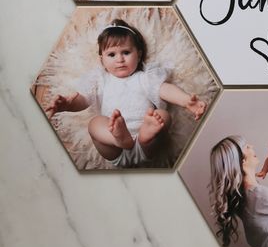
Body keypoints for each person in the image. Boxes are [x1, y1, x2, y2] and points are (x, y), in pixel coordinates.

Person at [45, 19, 207, 167]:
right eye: (111, 54)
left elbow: (164, 89)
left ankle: (145, 135)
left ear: (139, 55)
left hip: (146, 144)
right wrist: (67, 104)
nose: (120, 59)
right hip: (114, 147)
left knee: (164, 115)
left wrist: (186, 100)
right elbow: (83, 100)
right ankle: (118, 138)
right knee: (95, 123)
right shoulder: (101, 80)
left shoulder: (144, 78)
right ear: (102, 60)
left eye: (126, 53)